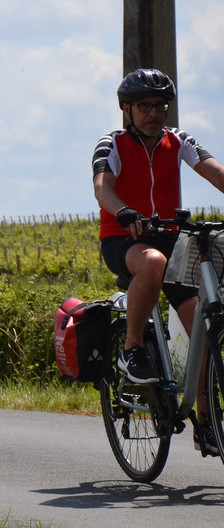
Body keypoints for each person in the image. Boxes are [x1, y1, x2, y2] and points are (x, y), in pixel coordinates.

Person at [93, 68, 224, 456]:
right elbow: (102, 187)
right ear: (126, 109)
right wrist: (124, 212)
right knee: (151, 263)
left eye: (160, 105)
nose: (154, 113)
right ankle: (133, 349)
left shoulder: (178, 140)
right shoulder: (112, 143)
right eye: (145, 106)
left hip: (173, 238)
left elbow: (215, 171)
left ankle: (206, 422)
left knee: (200, 324)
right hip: (125, 237)